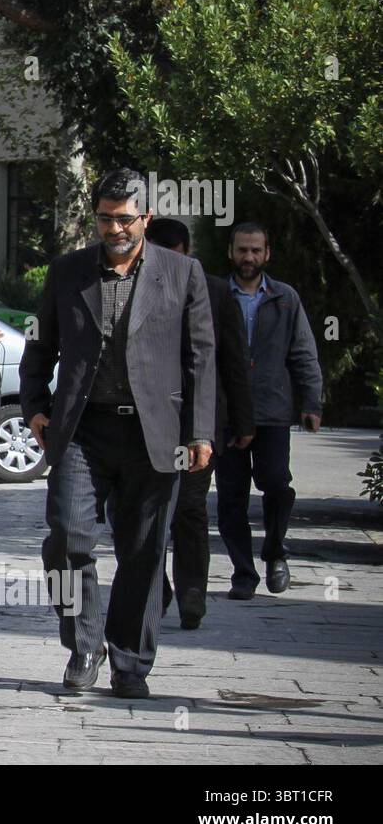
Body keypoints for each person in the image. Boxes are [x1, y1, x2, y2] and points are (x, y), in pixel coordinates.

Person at [20, 168, 215, 699]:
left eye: (125, 219)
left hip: (156, 435)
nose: (114, 228)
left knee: (145, 550)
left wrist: (200, 431)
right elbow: (40, 346)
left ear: (145, 218)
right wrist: (36, 407)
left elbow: (200, 356)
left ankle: (130, 661)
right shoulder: (69, 272)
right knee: (67, 535)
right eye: (105, 218)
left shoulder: (182, 273)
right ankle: (84, 644)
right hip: (83, 429)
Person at [144, 218, 255, 628]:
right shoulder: (132, 285)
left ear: (188, 254)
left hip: (198, 421)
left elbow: (232, 360)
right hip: (145, 421)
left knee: (190, 508)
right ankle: (157, 587)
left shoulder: (215, 291)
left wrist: (243, 418)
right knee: (147, 509)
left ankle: (192, 591)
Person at [215, 222, 323, 599]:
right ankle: (243, 573)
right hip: (226, 414)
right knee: (231, 497)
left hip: (271, 410)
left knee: (277, 483)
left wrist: (312, 402)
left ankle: (276, 551)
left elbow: (304, 352)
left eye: (255, 251)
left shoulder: (285, 298)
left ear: (267, 254)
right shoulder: (215, 296)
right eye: (242, 250)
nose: (249, 257)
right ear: (231, 252)